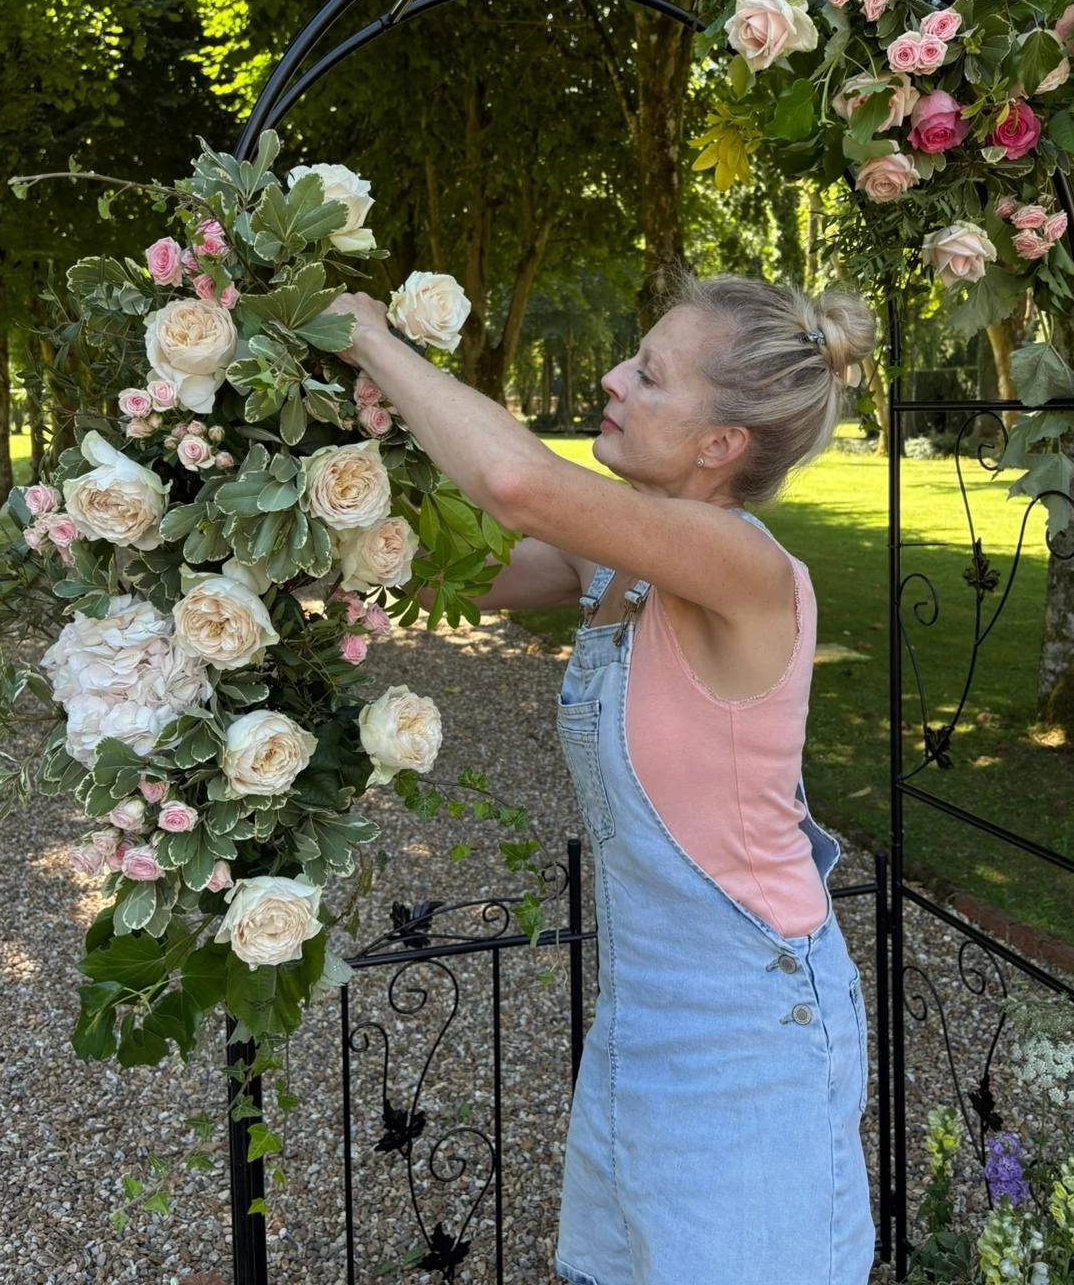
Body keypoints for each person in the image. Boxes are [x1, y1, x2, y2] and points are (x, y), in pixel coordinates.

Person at [331, 268, 878, 1285]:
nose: (616, 378)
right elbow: (453, 567)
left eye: (652, 376)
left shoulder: (748, 572)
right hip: (642, 1015)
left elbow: (518, 484)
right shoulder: (619, 560)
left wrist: (371, 337)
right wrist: (300, 489)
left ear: (722, 445)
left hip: (752, 1036)